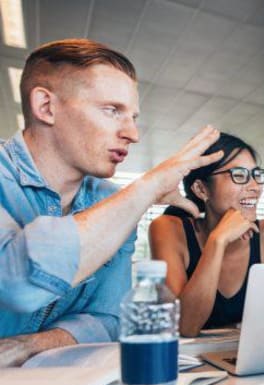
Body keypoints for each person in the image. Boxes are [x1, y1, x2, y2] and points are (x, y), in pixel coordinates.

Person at [0, 38, 223, 367]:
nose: (132, 133)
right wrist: (147, 188)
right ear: (46, 107)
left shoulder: (111, 200)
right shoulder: (124, 203)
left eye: (132, 116)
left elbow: (110, 318)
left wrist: (33, 345)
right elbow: (16, 282)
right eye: (112, 110)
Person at [149, 133, 264, 337]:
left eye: (256, 175)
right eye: (239, 175)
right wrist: (218, 241)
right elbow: (185, 327)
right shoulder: (168, 229)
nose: (255, 187)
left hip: (247, 357)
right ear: (201, 189)